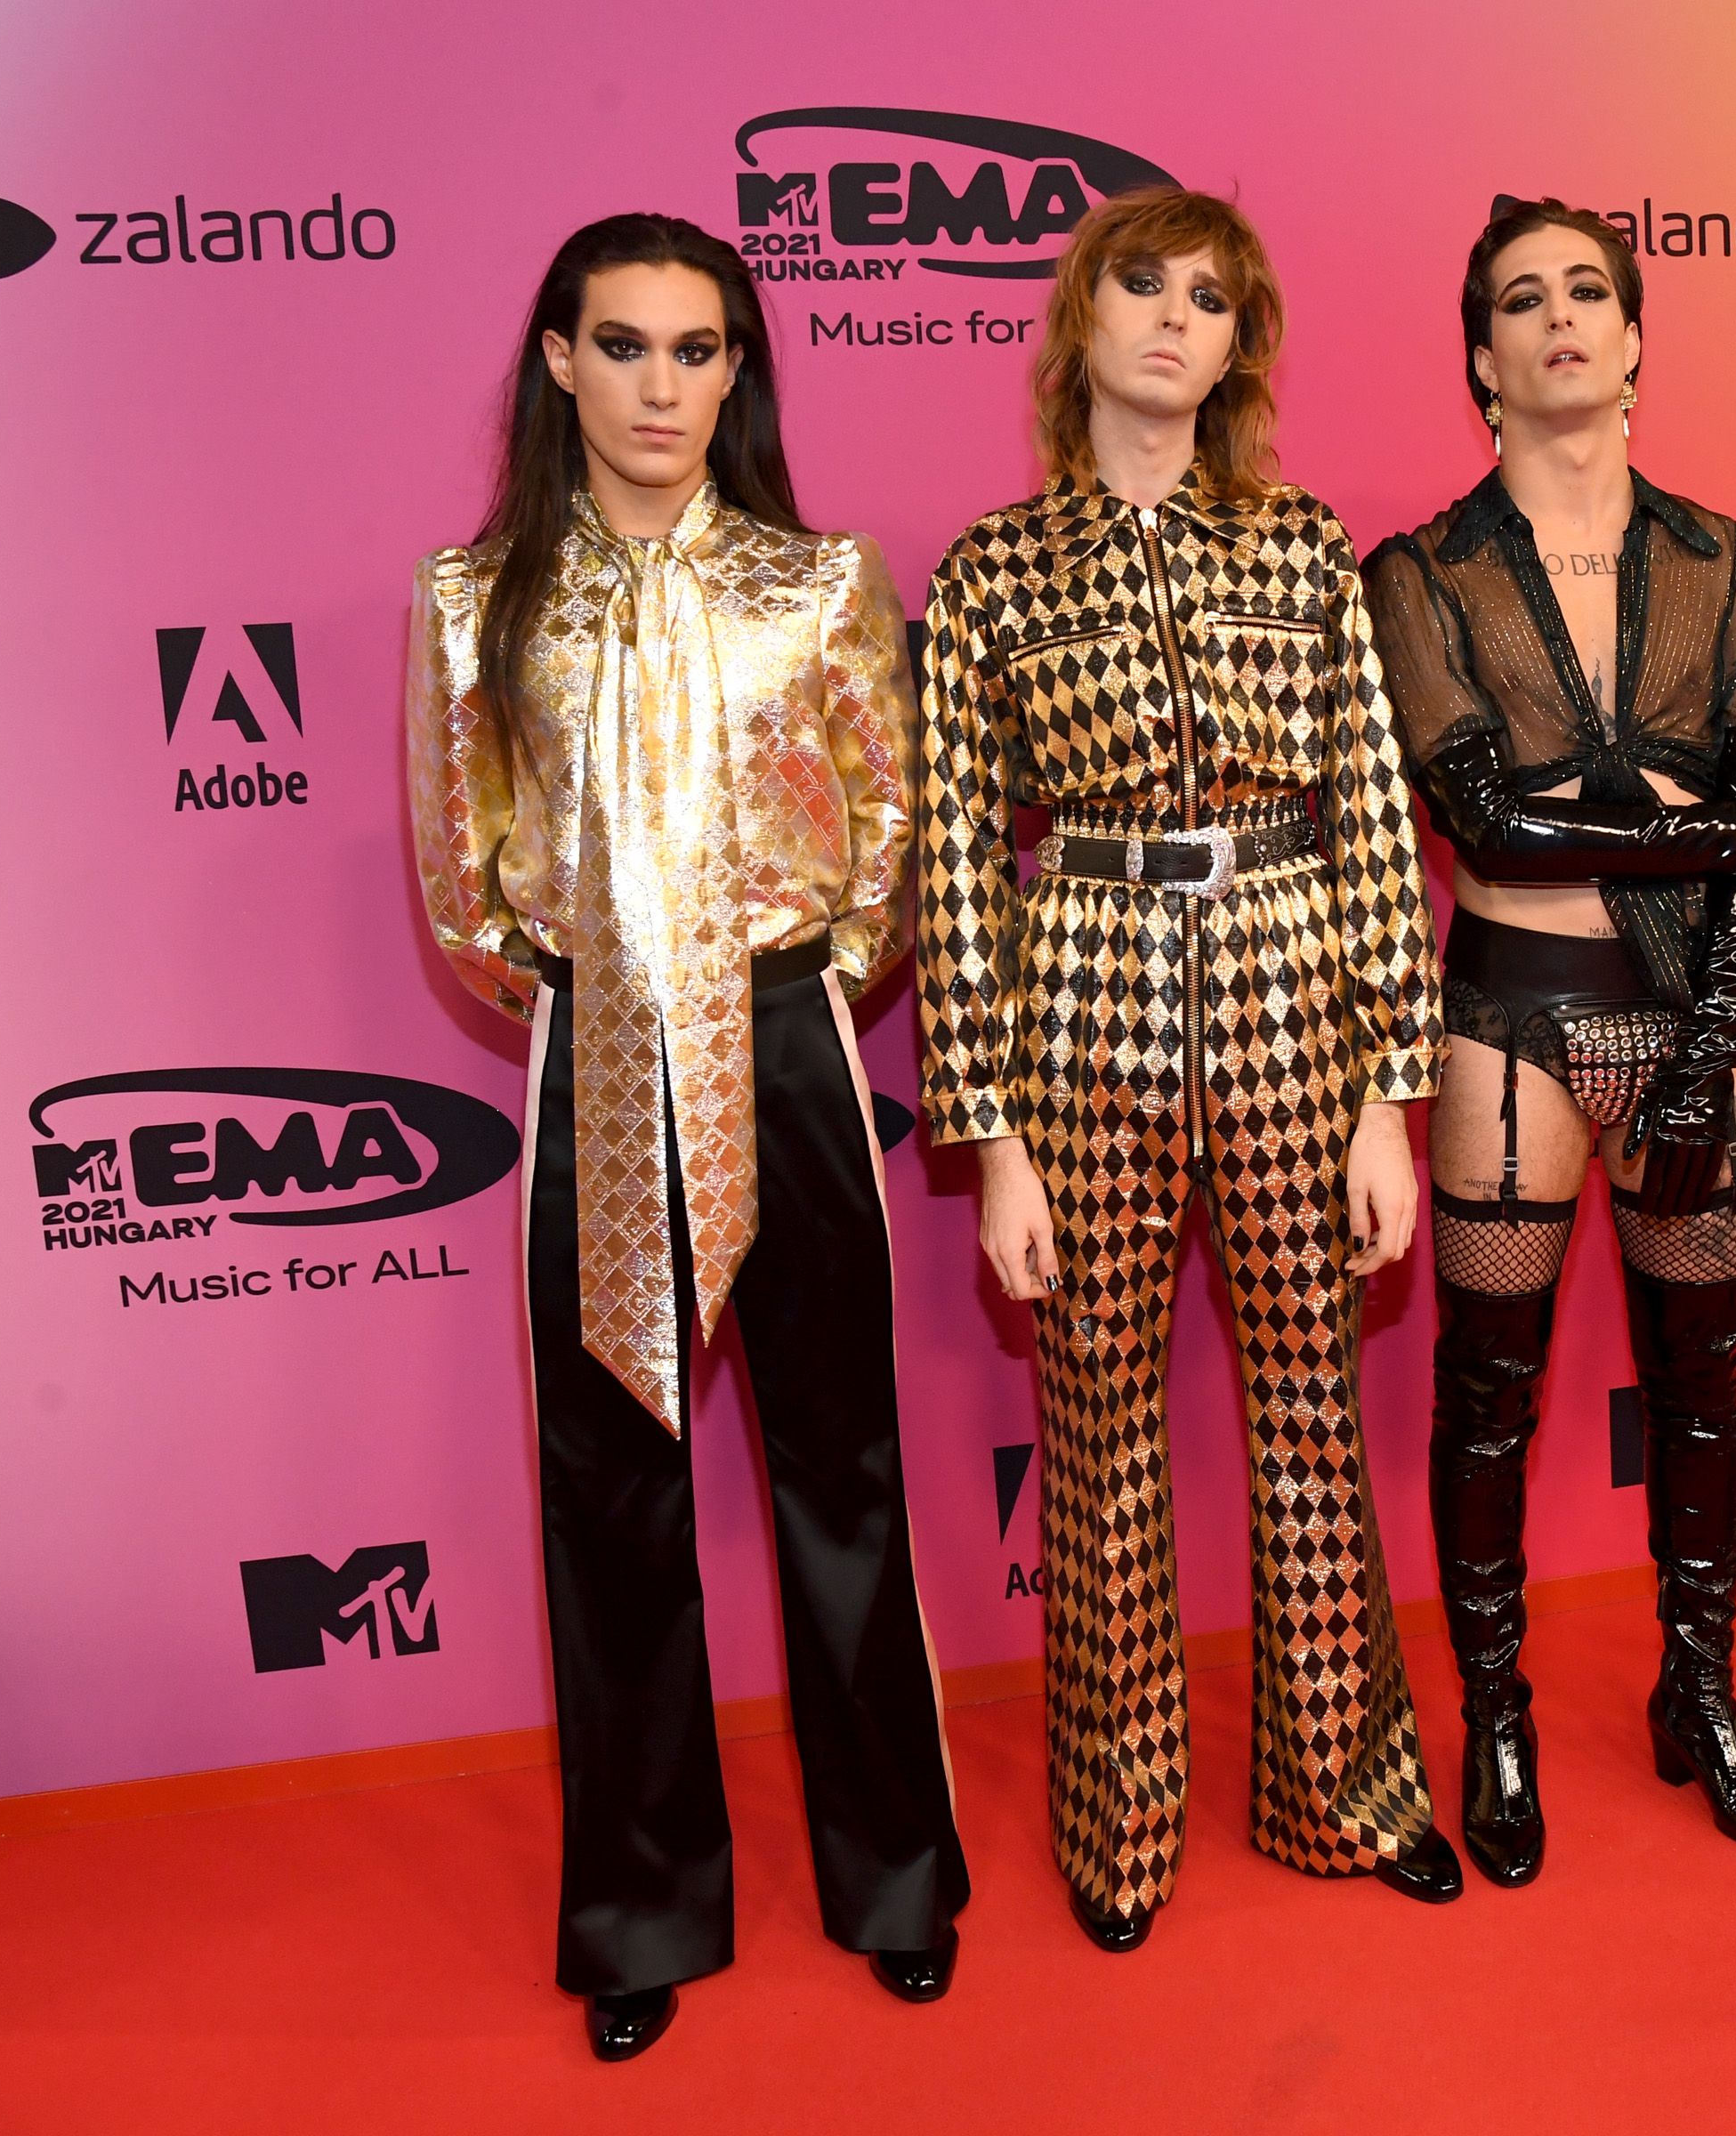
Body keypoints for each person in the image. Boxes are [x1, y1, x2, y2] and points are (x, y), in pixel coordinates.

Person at [407, 213, 969, 2059]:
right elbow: (465, 886)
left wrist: (781, 981)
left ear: (742, 372)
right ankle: (642, 1908)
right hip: (595, 1068)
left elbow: (887, 846)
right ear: (557, 359)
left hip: (794, 1049)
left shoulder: (819, 585)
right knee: (612, 1500)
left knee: (846, 1477)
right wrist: (604, 995)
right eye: (627, 346)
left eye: (701, 349)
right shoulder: (469, 600)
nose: (665, 386)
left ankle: (895, 1874)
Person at [915, 187, 1462, 1950]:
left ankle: (1347, 1789)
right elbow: (949, 865)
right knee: (1098, 1439)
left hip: (1296, 984)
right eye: (1138, 285)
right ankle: (1119, 1818)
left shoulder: (1304, 550)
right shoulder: (992, 570)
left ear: (1242, 346)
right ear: (1079, 318)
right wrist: (991, 1137)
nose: (1170, 318)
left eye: (1208, 297)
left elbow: (1375, 812)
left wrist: (1393, 1094)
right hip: (1081, 990)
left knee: (1316, 1415)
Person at [1362, 196, 1736, 1885]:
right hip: (1515, 1026)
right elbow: (1489, 827)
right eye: (1522, 301)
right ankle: (1494, 1712)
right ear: (1483, 359)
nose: (1561, 319)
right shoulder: (1419, 575)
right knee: (1490, 1390)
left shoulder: (1730, 561)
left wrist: (1712, 1049)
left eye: (1591, 293)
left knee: (1706, 1379)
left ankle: (1698, 1698)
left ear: (1633, 340)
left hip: (1693, 1023)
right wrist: (1709, 826)